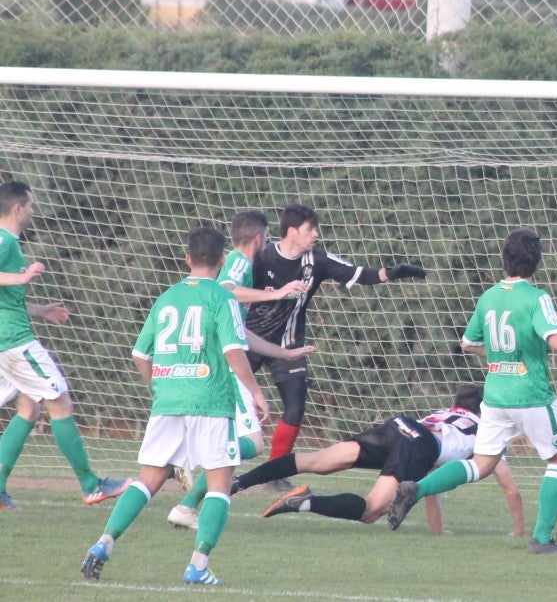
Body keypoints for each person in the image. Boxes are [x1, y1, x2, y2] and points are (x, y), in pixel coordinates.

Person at [385, 228, 557, 553]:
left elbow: (467, 343)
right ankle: (542, 540)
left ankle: (417, 489)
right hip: (532, 395)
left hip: (496, 397)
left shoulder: (489, 296)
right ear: (537, 262)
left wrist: (501, 357)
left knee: (481, 464)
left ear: (504, 260)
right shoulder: (536, 298)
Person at [81, 226, 270, 586]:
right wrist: (256, 391)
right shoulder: (222, 297)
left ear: (187, 259)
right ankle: (197, 565)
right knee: (218, 485)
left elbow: (139, 353)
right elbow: (233, 351)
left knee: (147, 479)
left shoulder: (167, 297)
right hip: (211, 401)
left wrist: (158, 386)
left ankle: (104, 542)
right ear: (221, 260)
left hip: (167, 401)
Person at [242, 203, 427, 488]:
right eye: (309, 229)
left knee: (294, 409)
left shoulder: (317, 260)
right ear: (292, 232)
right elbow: (231, 290)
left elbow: (358, 273)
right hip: (250, 340)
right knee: (225, 404)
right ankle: (202, 461)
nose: (315, 234)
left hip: (291, 345)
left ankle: (274, 474)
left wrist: (392, 273)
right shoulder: (260, 258)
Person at [167, 210, 311, 529]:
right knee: (252, 443)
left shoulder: (239, 264)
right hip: (223, 366)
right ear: (259, 239)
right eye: (268, 237)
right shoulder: (240, 263)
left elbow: (241, 332)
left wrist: (284, 353)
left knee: (231, 441)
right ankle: (189, 474)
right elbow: (227, 290)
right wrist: (274, 293)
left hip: (213, 363)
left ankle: (189, 491)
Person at [241, 381, 524, 534]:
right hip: (419, 443)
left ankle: (239, 482)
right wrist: (519, 532)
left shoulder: (444, 413)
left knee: (315, 461)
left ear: (456, 403)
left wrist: (438, 531)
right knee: (371, 511)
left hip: (400, 425)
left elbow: (424, 483)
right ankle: (304, 502)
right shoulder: (484, 431)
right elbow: (510, 490)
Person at [0, 180, 132, 509]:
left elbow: (6, 300)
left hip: (9, 336)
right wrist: (23, 277)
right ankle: (91, 484)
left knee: (30, 407)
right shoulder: (4, 241)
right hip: (14, 341)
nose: (32, 210)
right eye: (30, 205)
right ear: (18, 207)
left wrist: (40, 310)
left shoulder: (10, 243)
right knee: (59, 401)